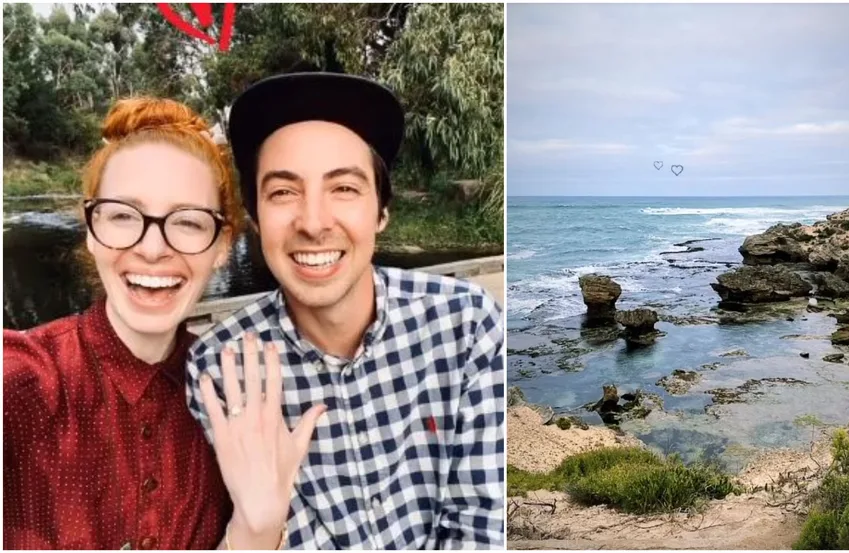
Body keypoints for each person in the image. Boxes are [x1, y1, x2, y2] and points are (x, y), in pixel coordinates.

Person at [185, 72, 506, 549]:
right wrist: (258, 527)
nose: (313, 222)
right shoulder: (222, 372)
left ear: (381, 212)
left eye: (344, 189)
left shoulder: (465, 325)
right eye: (283, 192)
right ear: (255, 219)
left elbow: (483, 525)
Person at [2, 97, 323, 550]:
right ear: (92, 231)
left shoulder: (231, 399)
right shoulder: (26, 382)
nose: (153, 249)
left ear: (221, 246)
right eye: (122, 215)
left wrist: (258, 529)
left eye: (188, 222)